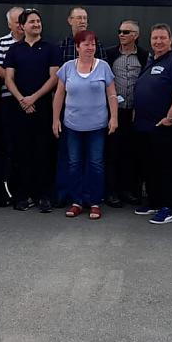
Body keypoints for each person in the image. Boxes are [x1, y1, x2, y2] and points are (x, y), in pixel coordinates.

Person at [52, 30, 118, 220]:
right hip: (72, 126)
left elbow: (112, 94)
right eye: (86, 44)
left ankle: (95, 202)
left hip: (97, 126)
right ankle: (77, 202)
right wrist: (55, 119)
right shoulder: (67, 67)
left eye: (93, 44)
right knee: (74, 164)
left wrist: (114, 117)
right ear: (77, 47)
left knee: (96, 164)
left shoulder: (103, 67)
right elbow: (59, 94)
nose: (90, 48)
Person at [133, 23, 172, 224]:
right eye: (155, 38)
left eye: (162, 38)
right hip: (146, 127)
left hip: (166, 127)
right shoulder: (151, 60)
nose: (158, 41)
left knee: (167, 169)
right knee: (151, 167)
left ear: (170, 40)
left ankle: (169, 207)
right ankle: (154, 202)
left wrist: (170, 117)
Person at [3, 8, 60, 212]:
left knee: (43, 153)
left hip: (43, 108)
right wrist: (22, 99)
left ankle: (44, 196)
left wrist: (33, 98)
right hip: (19, 109)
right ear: (22, 26)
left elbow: (54, 78)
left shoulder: (51, 48)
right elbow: (8, 78)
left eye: (38, 21)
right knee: (22, 153)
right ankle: (22, 195)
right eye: (32, 22)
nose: (36, 25)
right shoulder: (14, 50)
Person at [105, 20, 148, 207]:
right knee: (112, 152)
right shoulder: (110, 54)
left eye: (126, 32)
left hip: (135, 111)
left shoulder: (145, 56)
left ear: (135, 35)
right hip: (115, 111)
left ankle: (129, 190)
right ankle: (111, 191)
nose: (121, 35)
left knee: (132, 152)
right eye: (120, 31)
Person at [0, 6, 25, 199]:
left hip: (31, 100)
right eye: (17, 21)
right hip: (10, 100)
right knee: (10, 144)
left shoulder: (35, 42)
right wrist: (19, 87)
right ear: (9, 24)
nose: (21, 25)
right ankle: (10, 188)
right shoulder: (2, 42)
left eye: (23, 20)